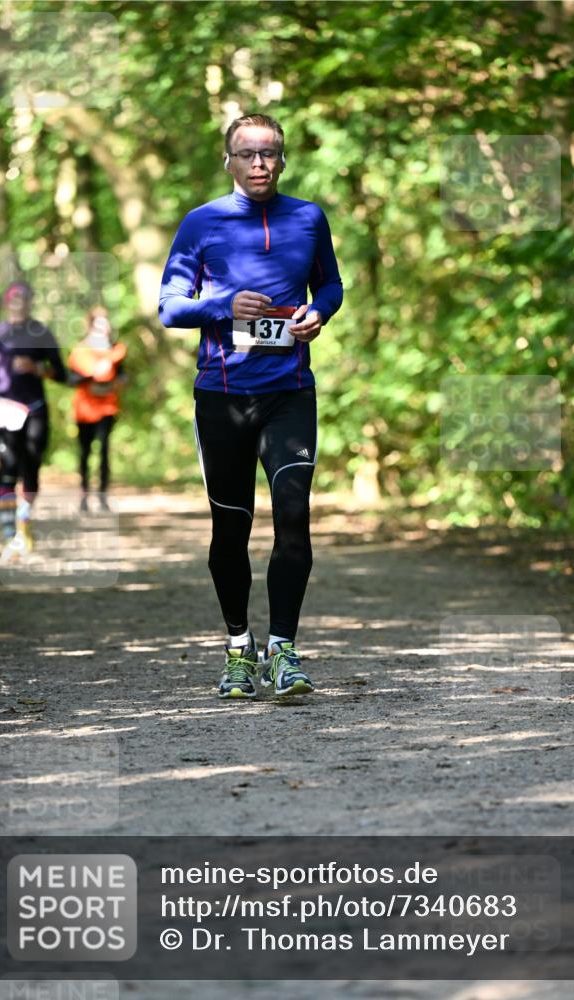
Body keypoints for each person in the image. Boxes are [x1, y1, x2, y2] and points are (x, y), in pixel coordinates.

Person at [159, 112, 343, 699]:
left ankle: (283, 651)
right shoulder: (202, 222)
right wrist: (223, 304)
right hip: (222, 397)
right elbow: (169, 305)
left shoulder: (308, 218)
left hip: (289, 393)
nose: (259, 162)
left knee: (293, 515)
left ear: (283, 159)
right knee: (230, 527)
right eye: (247, 153)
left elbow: (331, 284)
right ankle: (239, 649)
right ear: (229, 161)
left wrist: (321, 312)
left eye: (269, 153)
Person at [0, 281, 67, 560]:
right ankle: (8, 530)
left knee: (32, 467)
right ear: (7, 303)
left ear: (30, 302)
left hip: (35, 409)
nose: (18, 304)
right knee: (7, 468)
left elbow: (61, 374)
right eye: (14, 299)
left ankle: (24, 521)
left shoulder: (41, 333)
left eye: (24, 299)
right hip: (4, 409)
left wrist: (38, 368)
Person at [68, 306, 126, 513]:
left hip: (108, 407)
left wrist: (116, 382)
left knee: (104, 450)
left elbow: (122, 375)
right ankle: (84, 495)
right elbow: (71, 378)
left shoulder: (116, 350)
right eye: (99, 324)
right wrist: (92, 374)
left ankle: (103, 495)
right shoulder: (80, 351)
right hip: (84, 409)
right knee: (85, 452)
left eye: (106, 323)